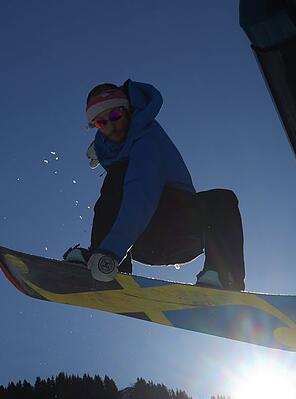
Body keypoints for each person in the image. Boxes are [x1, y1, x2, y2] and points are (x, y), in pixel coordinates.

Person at [64, 80, 246, 291]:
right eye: (101, 123)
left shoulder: (146, 141)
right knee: (115, 182)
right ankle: (107, 266)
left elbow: (141, 195)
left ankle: (223, 277)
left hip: (181, 232)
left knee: (221, 200)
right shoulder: (108, 147)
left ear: (128, 110)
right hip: (142, 243)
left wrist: (111, 250)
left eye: (115, 116)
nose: (111, 126)